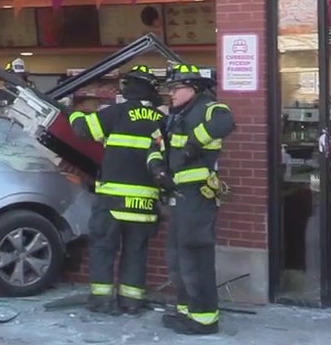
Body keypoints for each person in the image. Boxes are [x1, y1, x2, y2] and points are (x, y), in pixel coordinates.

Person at [68, 64, 166, 315]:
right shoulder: (163, 120)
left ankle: (102, 300)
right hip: (145, 204)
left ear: (128, 87)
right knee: (136, 252)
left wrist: (73, 113)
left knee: (103, 249)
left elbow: (83, 130)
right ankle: (131, 301)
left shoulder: (117, 113)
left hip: (113, 201)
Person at [146, 63, 236, 336]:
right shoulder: (172, 116)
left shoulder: (209, 107)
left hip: (198, 195)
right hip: (178, 197)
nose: (171, 94)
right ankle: (187, 310)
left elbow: (225, 122)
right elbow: (154, 147)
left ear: (193, 88)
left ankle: (205, 319)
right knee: (177, 257)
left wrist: (192, 144)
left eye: (176, 89)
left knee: (195, 255)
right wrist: (158, 169)